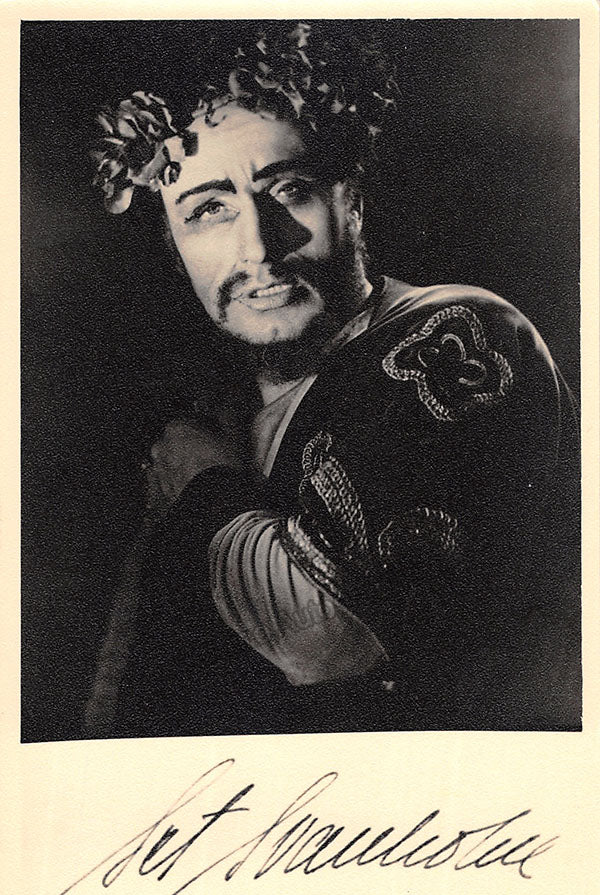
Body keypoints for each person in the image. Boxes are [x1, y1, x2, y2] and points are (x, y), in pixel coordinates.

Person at [85, 22, 580, 738]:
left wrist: (205, 482)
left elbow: (324, 640)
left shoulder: (457, 329)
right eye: (209, 210)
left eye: (290, 190)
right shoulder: (220, 405)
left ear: (352, 199)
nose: (258, 248)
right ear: (175, 243)